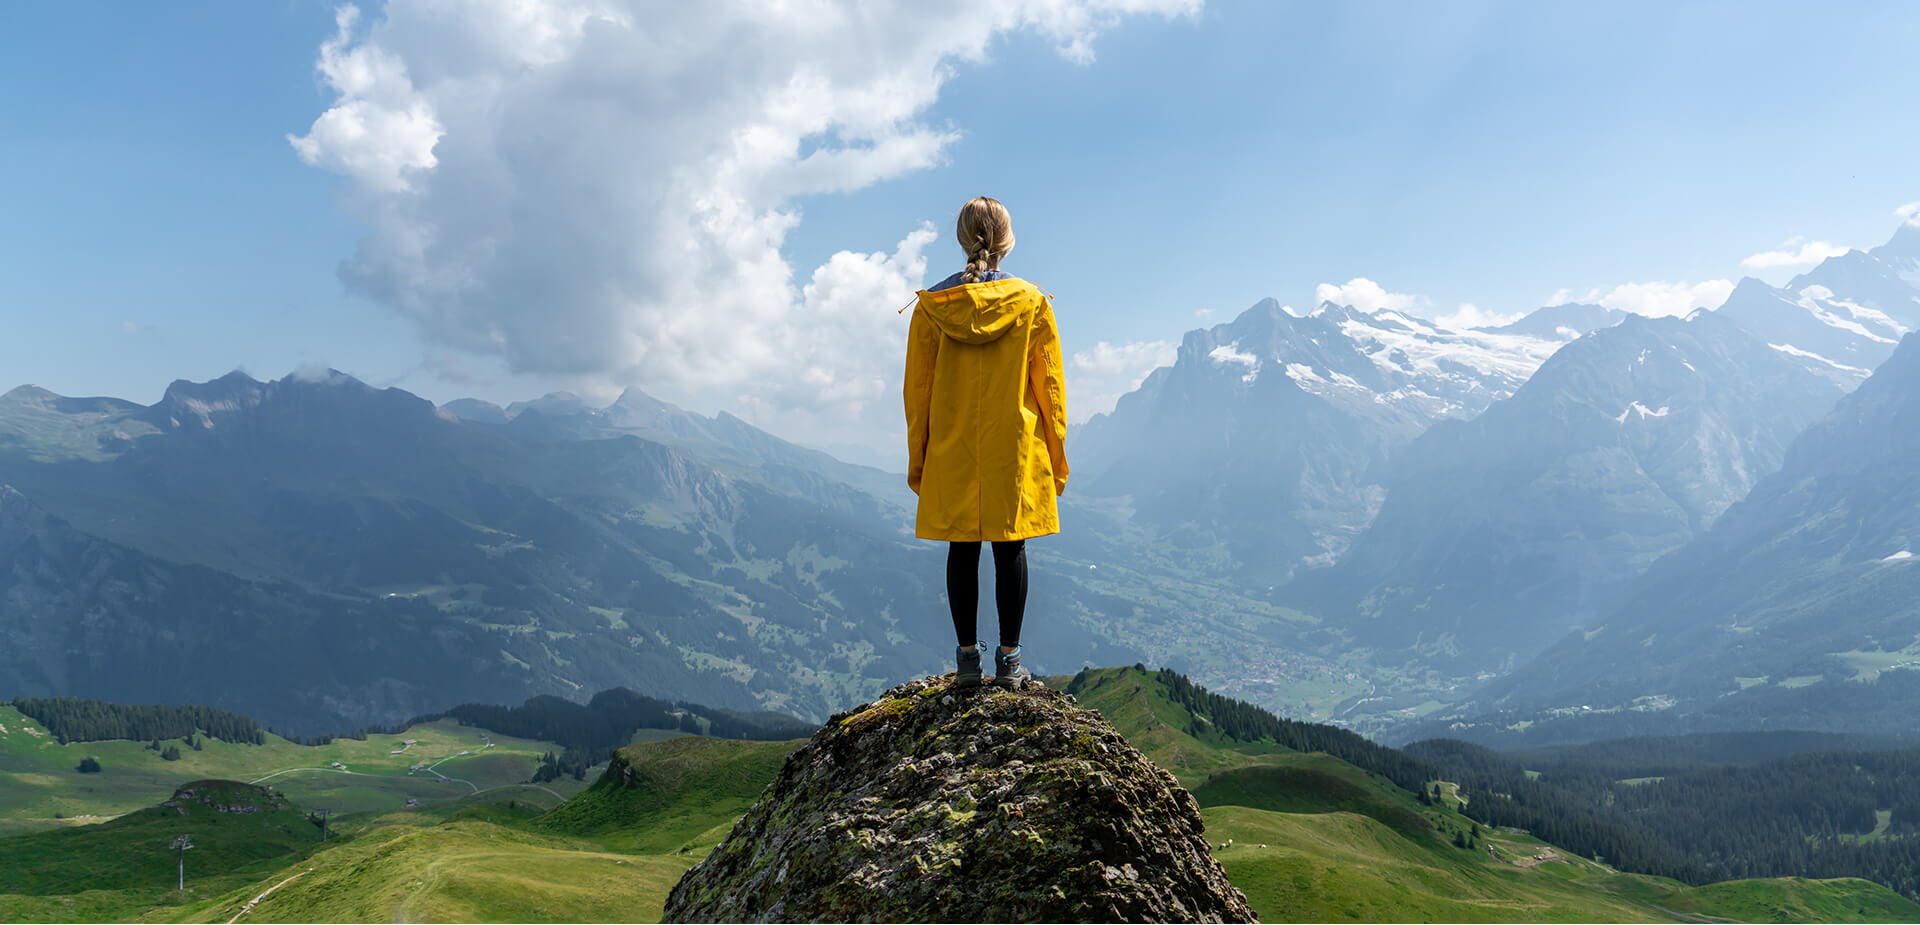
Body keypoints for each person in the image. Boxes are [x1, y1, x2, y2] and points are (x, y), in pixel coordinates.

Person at [903, 196, 1069, 689]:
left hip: (953, 445)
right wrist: (1056, 458)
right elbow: (1051, 392)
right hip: (1013, 447)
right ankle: (1011, 661)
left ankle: (967, 663)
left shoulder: (933, 309)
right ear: (1007, 241)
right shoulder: (1032, 302)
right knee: (1009, 546)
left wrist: (920, 459)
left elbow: (918, 392)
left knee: (961, 547)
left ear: (962, 239)